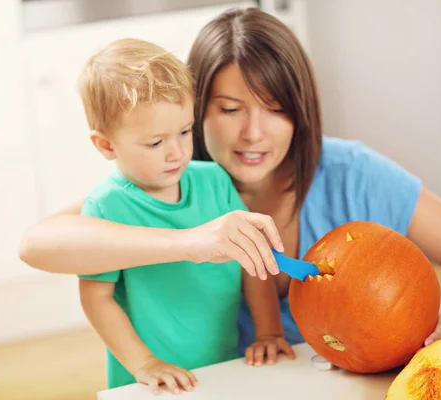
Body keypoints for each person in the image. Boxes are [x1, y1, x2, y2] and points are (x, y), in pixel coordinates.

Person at [19, 8, 441, 360]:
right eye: (230, 109)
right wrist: (192, 242)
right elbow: (38, 244)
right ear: (196, 110)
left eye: (276, 110)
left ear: (300, 112)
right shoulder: (169, 185)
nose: (253, 133)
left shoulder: (352, 174)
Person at [69, 38, 292, 395]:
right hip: (151, 381)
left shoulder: (215, 181)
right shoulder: (105, 208)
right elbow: (96, 297)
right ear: (106, 145)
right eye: (155, 143)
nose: (177, 152)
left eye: (185, 132)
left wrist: (269, 331)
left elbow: (254, 260)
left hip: (225, 368)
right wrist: (145, 363)